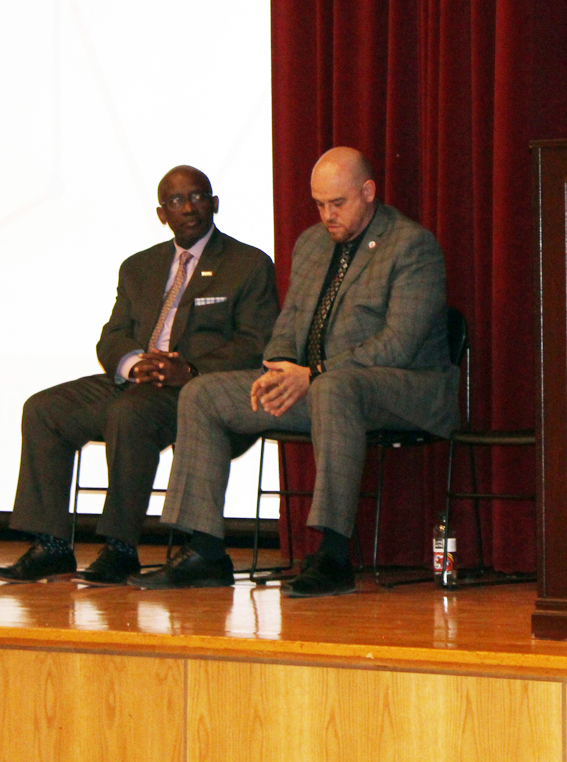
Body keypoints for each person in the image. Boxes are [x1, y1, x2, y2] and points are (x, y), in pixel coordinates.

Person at [131, 146, 458, 597]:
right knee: (202, 394)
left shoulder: (411, 246)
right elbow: (287, 325)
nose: (327, 215)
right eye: (319, 204)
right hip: (321, 387)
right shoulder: (311, 244)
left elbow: (397, 344)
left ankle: (333, 555)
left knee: (333, 388)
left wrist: (316, 372)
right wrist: (277, 368)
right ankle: (203, 551)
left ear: (368, 192)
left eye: (337, 204)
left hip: (405, 388)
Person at [0, 165, 278, 585]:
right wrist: (133, 363)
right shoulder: (138, 267)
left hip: (196, 389)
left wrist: (190, 368)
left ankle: (121, 549)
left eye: (198, 197)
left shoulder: (246, 264)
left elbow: (256, 341)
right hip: (137, 380)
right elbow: (113, 335)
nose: (189, 208)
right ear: (162, 214)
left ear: (215, 204)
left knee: (131, 414)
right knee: (44, 409)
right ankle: (51, 545)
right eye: (176, 201)